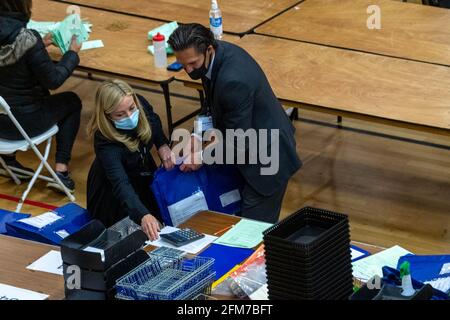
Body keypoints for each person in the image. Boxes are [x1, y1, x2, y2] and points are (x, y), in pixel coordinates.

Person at [168, 23, 302, 223]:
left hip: (267, 161)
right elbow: (211, 104)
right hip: (249, 149)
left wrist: (200, 156)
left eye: (193, 64)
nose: (188, 70)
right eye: (183, 64)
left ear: (209, 50)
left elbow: (238, 143)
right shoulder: (214, 57)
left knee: (251, 234)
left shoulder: (233, 80)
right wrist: (196, 135)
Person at [0, 0, 82, 193]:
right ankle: (61, 172)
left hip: (1, 125)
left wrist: (39, 45)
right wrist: (71, 54)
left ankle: (8, 159)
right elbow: (53, 81)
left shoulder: (28, 41)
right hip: (26, 124)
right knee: (72, 101)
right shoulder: (27, 40)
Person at [86, 79, 175, 241]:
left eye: (132, 109)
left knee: (159, 217)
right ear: (107, 115)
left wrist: (162, 144)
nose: (129, 116)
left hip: (142, 168)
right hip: (112, 191)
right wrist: (143, 215)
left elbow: (153, 120)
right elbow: (121, 185)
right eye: (120, 114)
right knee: (133, 236)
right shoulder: (105, 142)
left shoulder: (138, 102)